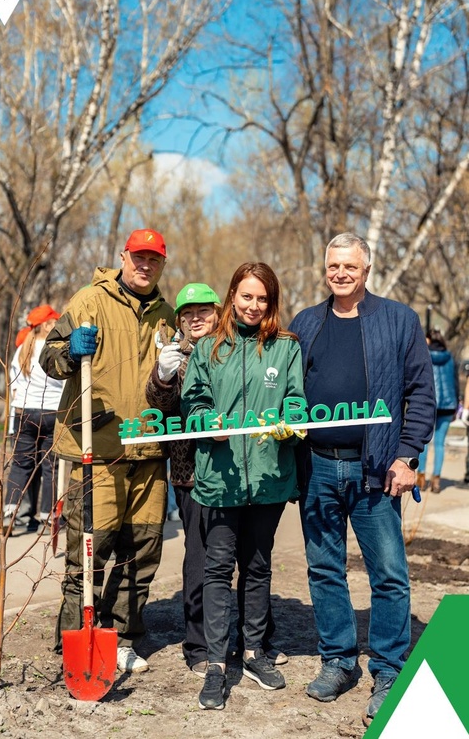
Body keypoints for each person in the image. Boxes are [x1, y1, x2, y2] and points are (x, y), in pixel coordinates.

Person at [289, 232, 435, 727]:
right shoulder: (306, 323)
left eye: (350, 266)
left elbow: (421, 393)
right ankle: (338, 661)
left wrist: (407, 455)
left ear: (366, 269)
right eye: (333, 266)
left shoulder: (398, 320)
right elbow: (288, 394)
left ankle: (389, 668)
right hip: (318, 467)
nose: (341, 274)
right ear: (325, 268)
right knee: (324, 568)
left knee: (389, 574)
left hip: (376, 470)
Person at [39, 228, 176, 674]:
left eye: (153, 259)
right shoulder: (88, 301)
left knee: (144, 549)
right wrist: (67, 351)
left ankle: (123, 637)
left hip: (150, 452)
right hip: (95, 450)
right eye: (138, 257)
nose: (144, 265)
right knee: (89, 551)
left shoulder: (168, 316)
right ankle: (74, 641)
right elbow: (49, 357)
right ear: (124, 256)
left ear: (162, 263)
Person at [146, 282, 288, 680]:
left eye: (203, 312)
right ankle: (199, 647)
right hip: (191, 472)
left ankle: (255, 641)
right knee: (203, 559)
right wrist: (163, 375)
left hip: (241, 470)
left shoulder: (233, 346)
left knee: (250, 556)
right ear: (179, 320)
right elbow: (159, 406)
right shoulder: (176, 353)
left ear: (218, 311)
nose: (196, 319)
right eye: (187, 314)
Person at [181, 263, 306, 710]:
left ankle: (253, 653)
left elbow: (295, 397)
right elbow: (193, 400)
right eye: (246, 296)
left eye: (263, 299)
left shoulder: (285, 348)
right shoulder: (209, 348)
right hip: (220, 476)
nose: (254, 306)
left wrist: (292, 417)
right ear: (232, 295)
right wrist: (204, 422)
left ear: (271, 302)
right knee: (216, 569)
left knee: (257, 568)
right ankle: (216, 664)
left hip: (269, 478)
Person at [3, 305, 64, 536]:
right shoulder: (55, 349)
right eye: (55, 322)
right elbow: (66, 383)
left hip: (24, 413)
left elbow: (15, 387)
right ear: (47, 325)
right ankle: (49, 516)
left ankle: (11, 513)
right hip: (52, 413)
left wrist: (11, 424)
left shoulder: (22, 350)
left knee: (21, 465)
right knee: (50, 467)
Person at [417, 330, 458, 493]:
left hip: (429, 404)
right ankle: (436, 480)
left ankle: (421, 479)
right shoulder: (450, 357)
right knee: (440, 444)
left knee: (424, 442)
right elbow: (454, 382)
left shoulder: (423, 355)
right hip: (448, 405)